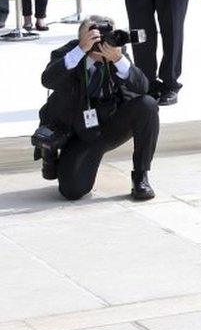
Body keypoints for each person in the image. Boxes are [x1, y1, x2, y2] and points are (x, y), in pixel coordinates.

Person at [38, 15, 159, 201]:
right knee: (72, 191)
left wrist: (118, 59)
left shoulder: (116, 53)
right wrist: (80, 50)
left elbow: (142, 88)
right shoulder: (68, 53)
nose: (102, 43)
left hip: (109, 126)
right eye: (95, 38)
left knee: (147, 105)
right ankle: (60, 158)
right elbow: (48, 80)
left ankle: (141, 177)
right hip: (79, 133)